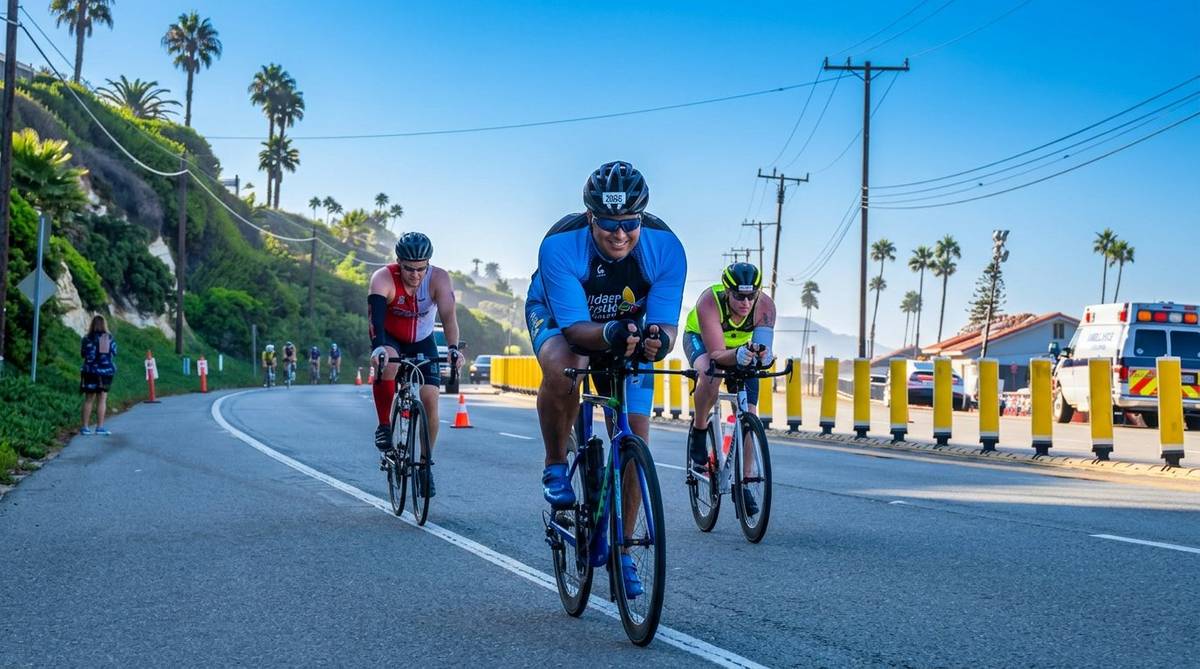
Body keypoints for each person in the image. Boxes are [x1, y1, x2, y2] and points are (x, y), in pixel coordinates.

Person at [526, 160, 685, 597]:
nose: (620, 234)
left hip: (626, 331)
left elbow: (667, 326)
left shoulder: (666, 248)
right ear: (591, 217)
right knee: (565, 365)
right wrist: (612, 332)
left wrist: (659, 341)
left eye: (629, 223)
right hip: (563, 318)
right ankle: (556, 463)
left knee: (636, 435)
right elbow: (577, 330)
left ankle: (625, 549)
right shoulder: (561, 245)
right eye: (609, 224)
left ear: (642, 218)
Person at [368, 232, 465, 497]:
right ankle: (384, 427)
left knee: (431, 398)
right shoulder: (383, 278)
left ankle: (425, 465)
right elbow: (375, 319)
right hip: (390, 338)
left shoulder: (439, 278)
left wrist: (454, 349)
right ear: (398, 261)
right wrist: (377, 348)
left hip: (423, 341)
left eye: (421, 268)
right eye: (409, 269)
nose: (415, 275)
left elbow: (448, 316)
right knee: (388, 364)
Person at [682, 262, 776, 514]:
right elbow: (716, 353)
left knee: (750, 412)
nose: (746, 302)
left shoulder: (765, 306)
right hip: (702, 340)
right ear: (727, 291)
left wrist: (762, 356)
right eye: (739, 296)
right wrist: (739, 354)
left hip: (740, 348)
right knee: (711, 374)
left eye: (750, 295)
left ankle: (744, 481)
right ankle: (700, 429)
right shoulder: (709, 302)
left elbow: (762, 351)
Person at [80, 314, 117, 436]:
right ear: (104, 325)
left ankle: (85, 428)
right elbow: (114, 352)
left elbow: (83, 354)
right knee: (102, 399)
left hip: (89, 372)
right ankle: (100, 427)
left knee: (88, 399)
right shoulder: (108, 338)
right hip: (104, 372)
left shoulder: (86, 339)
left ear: (92, 325)